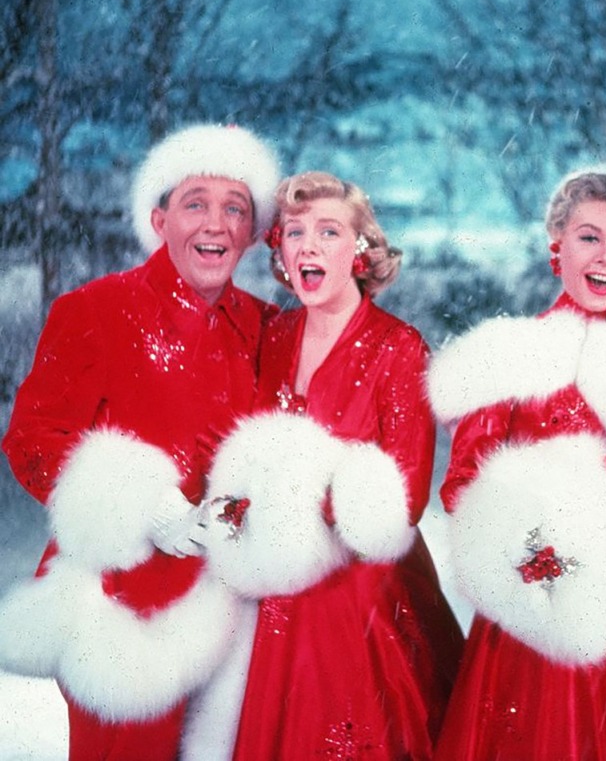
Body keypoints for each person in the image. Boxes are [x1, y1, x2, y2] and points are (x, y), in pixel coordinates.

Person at [0, 123, 280, 761]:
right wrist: (143, 507)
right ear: (158, 220)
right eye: (195, 204)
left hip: (233, 610)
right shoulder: (95, 311)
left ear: (251, 232)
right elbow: (33, 438)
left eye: (234, 208)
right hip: (125, 610)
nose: (215, 224)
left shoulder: (265, 328)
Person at [188, 171, 464, 761]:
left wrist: (304, 504)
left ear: (361, 251)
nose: (309, 245)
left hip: (364, 586)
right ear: (282, 252)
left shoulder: (399, 346)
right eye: (295, 232)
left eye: (329, 231)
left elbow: (408, 494)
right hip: (276, 579)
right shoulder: (276, 334)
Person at [425, 168, 606, 761]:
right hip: (532, 609)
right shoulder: (509, 355)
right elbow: (464, 485)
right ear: (556, 244)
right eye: (589, 237)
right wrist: (533, 551)